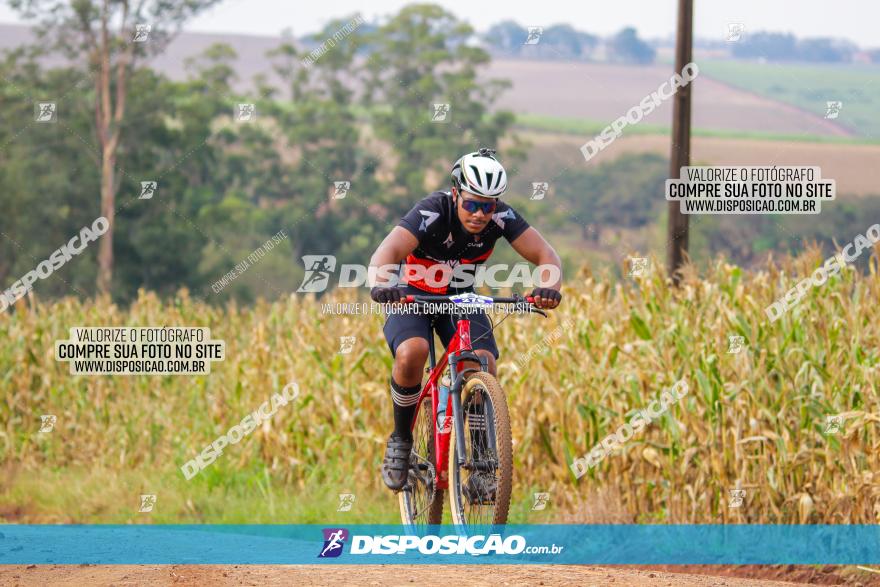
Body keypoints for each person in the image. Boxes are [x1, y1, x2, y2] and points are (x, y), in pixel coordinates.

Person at [368, 148, 563, 499]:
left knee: (482, 363)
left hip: (459, 296)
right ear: (456, 192)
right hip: (413, 294)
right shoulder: (431, 211)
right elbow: (388, 251)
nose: (480, 214)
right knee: (414, 352)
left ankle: (483, 463)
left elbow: (546, 255)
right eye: (472, 203)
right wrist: (383, 283)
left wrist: (549, 286)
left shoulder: (501, 217)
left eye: (488, 206)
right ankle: (401, 439)